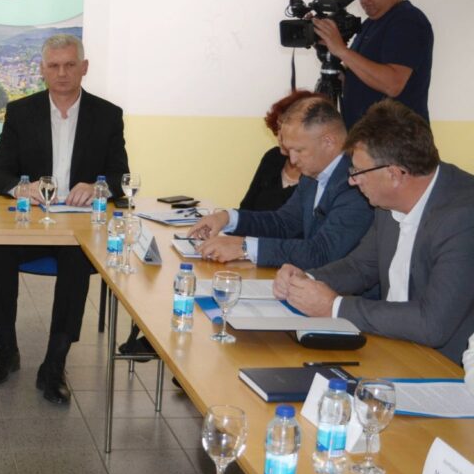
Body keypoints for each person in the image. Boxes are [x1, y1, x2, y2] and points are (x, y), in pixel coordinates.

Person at [0, 34, 129, 404]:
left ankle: (55, 361)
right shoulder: (21, 112)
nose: (62, 73)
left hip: (78, 228)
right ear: (42, 70)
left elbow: (120, 177)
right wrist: (23, 188)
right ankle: (6, 349)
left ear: (84, 68)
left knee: (77, 259)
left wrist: (97, 188)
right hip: (30, 224)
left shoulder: (107, 115)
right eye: (54, 66)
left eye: (69, 65)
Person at [274, 100, 474, 365]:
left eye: (358, 171)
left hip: (447, 368)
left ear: (394, 174)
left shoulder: (463, 217)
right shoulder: (387, 201)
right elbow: (360, 267)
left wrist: (334, 307)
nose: (351, 180)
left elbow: (432, 324)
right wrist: (305, 280)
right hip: (393, 347)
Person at [189, 97, 372, 267]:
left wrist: (245, 247)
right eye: (289, 150)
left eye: (299, 150)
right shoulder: (312, 175)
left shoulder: (356, 182)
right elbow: (283, 223)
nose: (292, 159)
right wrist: (227, 218)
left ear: (328, 142)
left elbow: (321, 252)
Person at [313, 0, 433, 129]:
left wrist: (342, 51)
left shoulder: (408, 21)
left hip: (399, 140)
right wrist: (330, 53)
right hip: (367, 138)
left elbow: (393, 84)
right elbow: (362, 78)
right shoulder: (370, 24)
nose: (363, 0)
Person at [239, 91, 322, 212]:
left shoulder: (318, 171)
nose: (280, 137)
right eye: (278, 128)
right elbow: (246, 209)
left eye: (287, 129)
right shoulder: (273, 157)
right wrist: (226, 217)